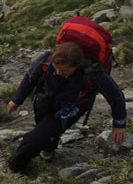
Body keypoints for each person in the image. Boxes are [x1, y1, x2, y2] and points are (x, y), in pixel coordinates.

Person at [7, 42, 126, 174]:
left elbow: (116, 96)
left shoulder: (92, 72)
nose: (58, 72)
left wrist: (119, 123)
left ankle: (14, 168)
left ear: (77, 65)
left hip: (67, 111)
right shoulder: (47, 59)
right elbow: (30, 78)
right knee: (44, 129)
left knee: (33, 140)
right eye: (55, 68)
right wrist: (16, 100)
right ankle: (49, 148)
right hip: (43, 102)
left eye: (63, 70)